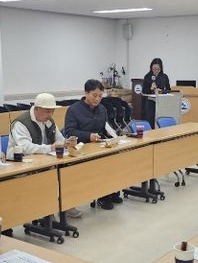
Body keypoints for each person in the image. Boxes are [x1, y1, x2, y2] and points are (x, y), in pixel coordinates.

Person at [10, 92, 81, 218]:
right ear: (37, 108)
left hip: (44, 160)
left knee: (67, 171)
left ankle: (65, 204)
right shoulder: (21, 123)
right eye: (48, 111)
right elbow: (26, 147)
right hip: (21, 163)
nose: (51, 115)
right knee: (46, 178)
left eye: (52, 111)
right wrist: (50, 147)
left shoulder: (49, 121)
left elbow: (59, 139)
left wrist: (67, 142)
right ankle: (46, 212)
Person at [64, 79, 122, 210]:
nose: (97, 99)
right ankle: (102, 196)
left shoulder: (102, 109)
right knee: (102, 164)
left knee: (115, 158)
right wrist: (88, 136)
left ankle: (112, 190)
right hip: (81, 148)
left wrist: (114, 137)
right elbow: (69, 131)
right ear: (86, 93)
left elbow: (106, 127)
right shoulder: (74, 110)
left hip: (99, 145)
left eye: (100, 96)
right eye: (94, 95)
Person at [142, 58, 171, 128]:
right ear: (151, 67)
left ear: (161, 68)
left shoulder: (164, 77)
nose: (156, 71)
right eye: (154, 69)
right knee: (150, 122)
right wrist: (151, 88)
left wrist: (161, 91)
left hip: (161, 103)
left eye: (158, 69)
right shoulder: (147, 77)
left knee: (160, 122)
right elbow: (144, 91)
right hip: (150, 103)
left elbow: (168, 90)